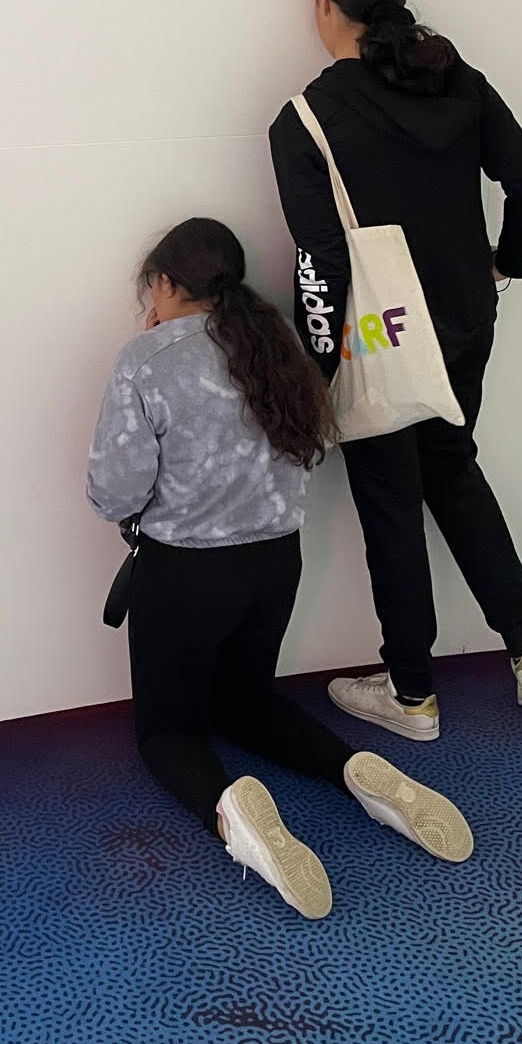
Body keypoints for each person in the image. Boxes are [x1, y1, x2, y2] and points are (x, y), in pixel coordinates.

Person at [87, 217, 473, 920]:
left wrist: (154, 338)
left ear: (167, 284)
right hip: (274, 565)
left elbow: (113, 491)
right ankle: (355, 771)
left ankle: (233, 813)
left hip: (184, 575)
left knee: (167, 733)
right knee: (246, 700)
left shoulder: (147, 358)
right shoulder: (274, 341)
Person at [269, 0, 522, 744]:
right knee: (455, 471)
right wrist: (511, 264)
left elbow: (320, 263)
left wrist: (319, 367)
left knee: (392, 505)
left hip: (379, 336)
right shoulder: (455, 78)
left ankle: (412, 694)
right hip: (467, 319)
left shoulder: (305, 120)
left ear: (324, 2)